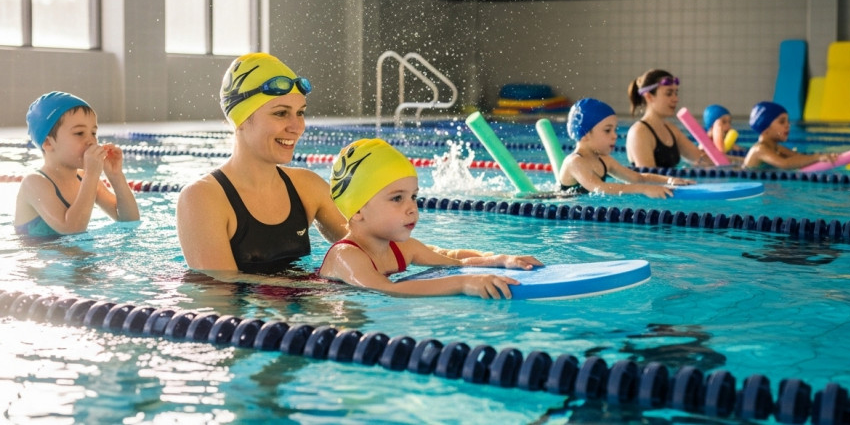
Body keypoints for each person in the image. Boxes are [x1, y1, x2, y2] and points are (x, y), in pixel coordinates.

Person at [176, 53, 348, 275]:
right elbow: (220, 295)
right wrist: (312, 288)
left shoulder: (307, 186)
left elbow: (364, 249)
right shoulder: (202, 198)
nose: (297, 127)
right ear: (241, 120)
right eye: (281, 113)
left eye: (300, 113)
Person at [318, 138, 543, 299]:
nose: (412, 208)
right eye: (397, 198)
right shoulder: (345, 256)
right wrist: (463, 283)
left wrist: (501, 259)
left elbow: (454, 261)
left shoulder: (401, 248)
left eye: (413, 196)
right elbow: (388, 289)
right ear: (357, 209)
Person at [14, 91, 140, 237]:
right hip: (40, 257)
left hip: (69, 255)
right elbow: (72, 229)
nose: (91, 141)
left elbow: (129, 220)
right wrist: (92, 174)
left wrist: (116, 175)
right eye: (79, 133)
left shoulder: (84, 179)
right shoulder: (34, 183)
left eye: (93, 133)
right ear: (48, 143)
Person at [558, 98, 690, 198]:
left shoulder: (604, 160)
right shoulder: (575, 162)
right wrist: (643, 189)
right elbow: (599, 188)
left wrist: (668, 180)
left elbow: (638, 178)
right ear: (585, 134)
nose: (614, 136)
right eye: (607, 130)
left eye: (615, 130)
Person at [626, 69, 708, 168]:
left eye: (675, 93)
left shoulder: (671, 129)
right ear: (649, 97)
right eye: (669, 93)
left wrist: (730, 162)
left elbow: (701, 158)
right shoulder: (639, 132)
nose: (675, 99)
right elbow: (647, 177)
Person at [742, 101, 838, 170]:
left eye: (788, 121)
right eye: (782, 122)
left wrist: (825, 156)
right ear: (766, 128)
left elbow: (798, 156)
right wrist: (816, 157)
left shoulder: (777, 148)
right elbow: (785, 163)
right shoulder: (759, 149)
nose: (788, 125)